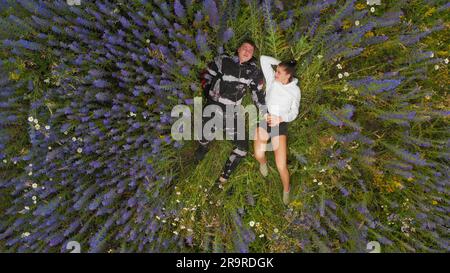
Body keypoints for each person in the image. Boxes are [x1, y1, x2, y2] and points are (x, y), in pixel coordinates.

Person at [194, 39, 266, 193]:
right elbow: (206, 74)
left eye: (250, 51)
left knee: (242, 148)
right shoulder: (223, 61)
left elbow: (258, 93)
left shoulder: (253, 71)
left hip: (233, 110)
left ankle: (222, 180)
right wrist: (208, 91)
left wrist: (263, 112)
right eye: (245, 48)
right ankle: (203, 146)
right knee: (204, 135)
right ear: (238, 49)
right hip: (215, 104)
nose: (247, 52)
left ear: (252, 55)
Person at [254, 55, 301, 205]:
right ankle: (263, 163)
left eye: (279, 72)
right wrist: (280, 63)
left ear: (288, 75)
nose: (275, 73)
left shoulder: (295, 91)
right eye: (276, 71)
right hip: (266, 118)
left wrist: (280, 119)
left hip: (279, 124)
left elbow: (294, 113)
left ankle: (286, 189)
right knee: (258, 154)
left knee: (281, 165)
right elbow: (263, 59)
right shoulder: (273, 81)